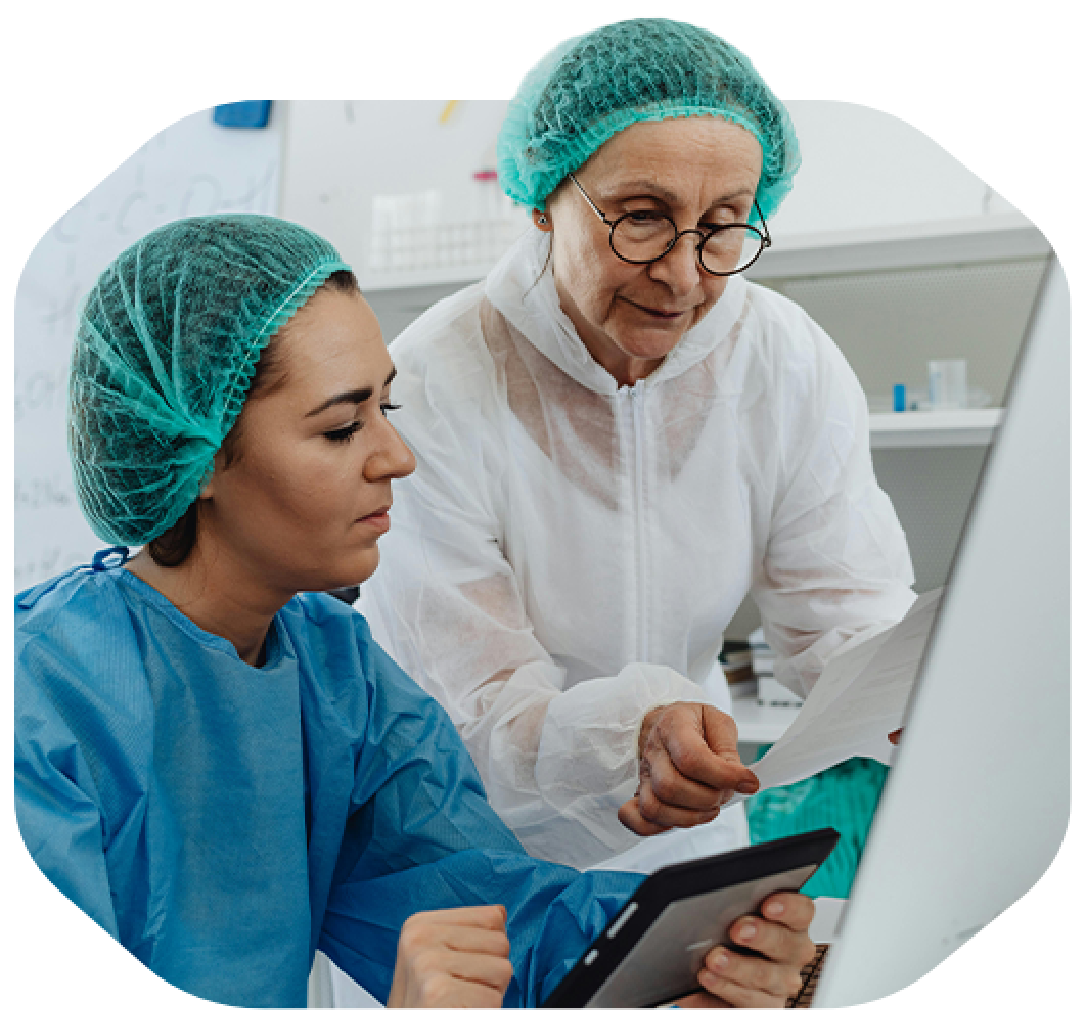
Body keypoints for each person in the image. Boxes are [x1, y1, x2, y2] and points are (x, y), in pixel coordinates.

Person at [15, 214, 818, 1010]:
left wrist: (699, 947)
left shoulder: (337, 676)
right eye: (342, 428)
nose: (397, 459)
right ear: (195, 456)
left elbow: (486, 913)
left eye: (386, 410)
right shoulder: (40, 708)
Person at [358, 17, 917, 874]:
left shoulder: (781, 358)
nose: (684, 276)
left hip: (692, 829)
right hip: (482, 847)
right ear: (542, 197)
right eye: (643, 217)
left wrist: (911, 696)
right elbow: (476, 707)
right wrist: (632, 736)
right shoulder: (433, 385)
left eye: (725, 223)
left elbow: (844, 615)